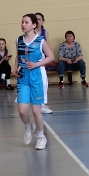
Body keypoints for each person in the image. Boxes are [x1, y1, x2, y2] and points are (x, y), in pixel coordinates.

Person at [15, 13, 54, 150]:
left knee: (36, 111)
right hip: (23, 77)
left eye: (26, 22)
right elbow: (18, 55)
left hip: (36, 76)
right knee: (22, 110)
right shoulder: (18, 40)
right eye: (22, 22)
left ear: (33, 25)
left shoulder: (40, 41)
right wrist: (15, 67)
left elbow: (51, 56)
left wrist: (37, 64)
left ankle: (41, 136)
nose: (23, 24)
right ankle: (28, 126)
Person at [34, 12, 52, 114]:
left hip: (41, 61)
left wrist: (49, 57)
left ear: (43, 21)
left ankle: (42, 104)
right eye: (35, 19)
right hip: (32, 61)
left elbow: (48, 46)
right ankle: (38, 104)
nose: (37, 21)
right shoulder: (30, 32)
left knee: (44, 82)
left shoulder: (45, 32)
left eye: (39, 19)